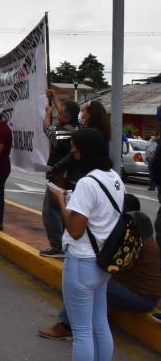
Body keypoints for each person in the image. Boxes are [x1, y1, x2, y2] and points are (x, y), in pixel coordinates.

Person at [47, 128, 125, 360]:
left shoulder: (87, 183)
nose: (72, 153)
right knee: (100, 323)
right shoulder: (115, 178)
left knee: (81, 331)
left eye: (75, 148)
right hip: (102, 262)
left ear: (85, 150)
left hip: (81, 262)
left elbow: (75, 230)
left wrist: (61, 200)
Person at [39, 193, 161, 340]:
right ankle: (96, 317)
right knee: (95, 279)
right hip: (135, 290)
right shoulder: (137, 228)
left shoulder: (130, 237)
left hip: (142, 298)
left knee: (89, 282)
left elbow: (107, 262)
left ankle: (67, 326)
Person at [41, 91, 81, 258]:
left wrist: (48, 113)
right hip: (66, 177)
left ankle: (57, 246)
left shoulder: (62, 133)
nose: (58, 115)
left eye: (60, 113)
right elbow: (66, 113)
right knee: (62, 211)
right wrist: (56, 99)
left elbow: (46, 129)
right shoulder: (76, 128)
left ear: (67, 116)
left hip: (59, 177)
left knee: (51, 212)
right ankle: (64, 244)